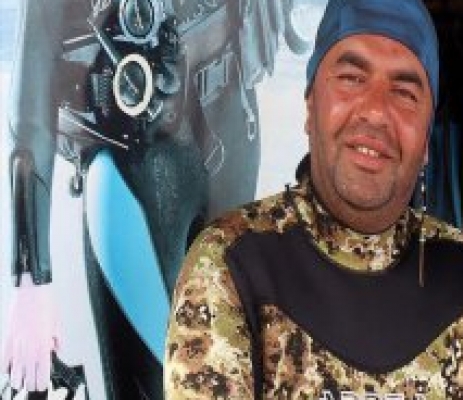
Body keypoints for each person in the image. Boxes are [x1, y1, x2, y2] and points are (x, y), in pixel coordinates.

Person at [164, 0, 463, 398]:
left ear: (426, 140)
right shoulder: (233, 262)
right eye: (351, 78)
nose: (376, 111)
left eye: (404, 93)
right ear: (311, 105)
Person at [1, 0, 308, 398]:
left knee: (227, 377)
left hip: (232, 126)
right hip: (137, 171)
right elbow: (33, 81)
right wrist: (31, 279)